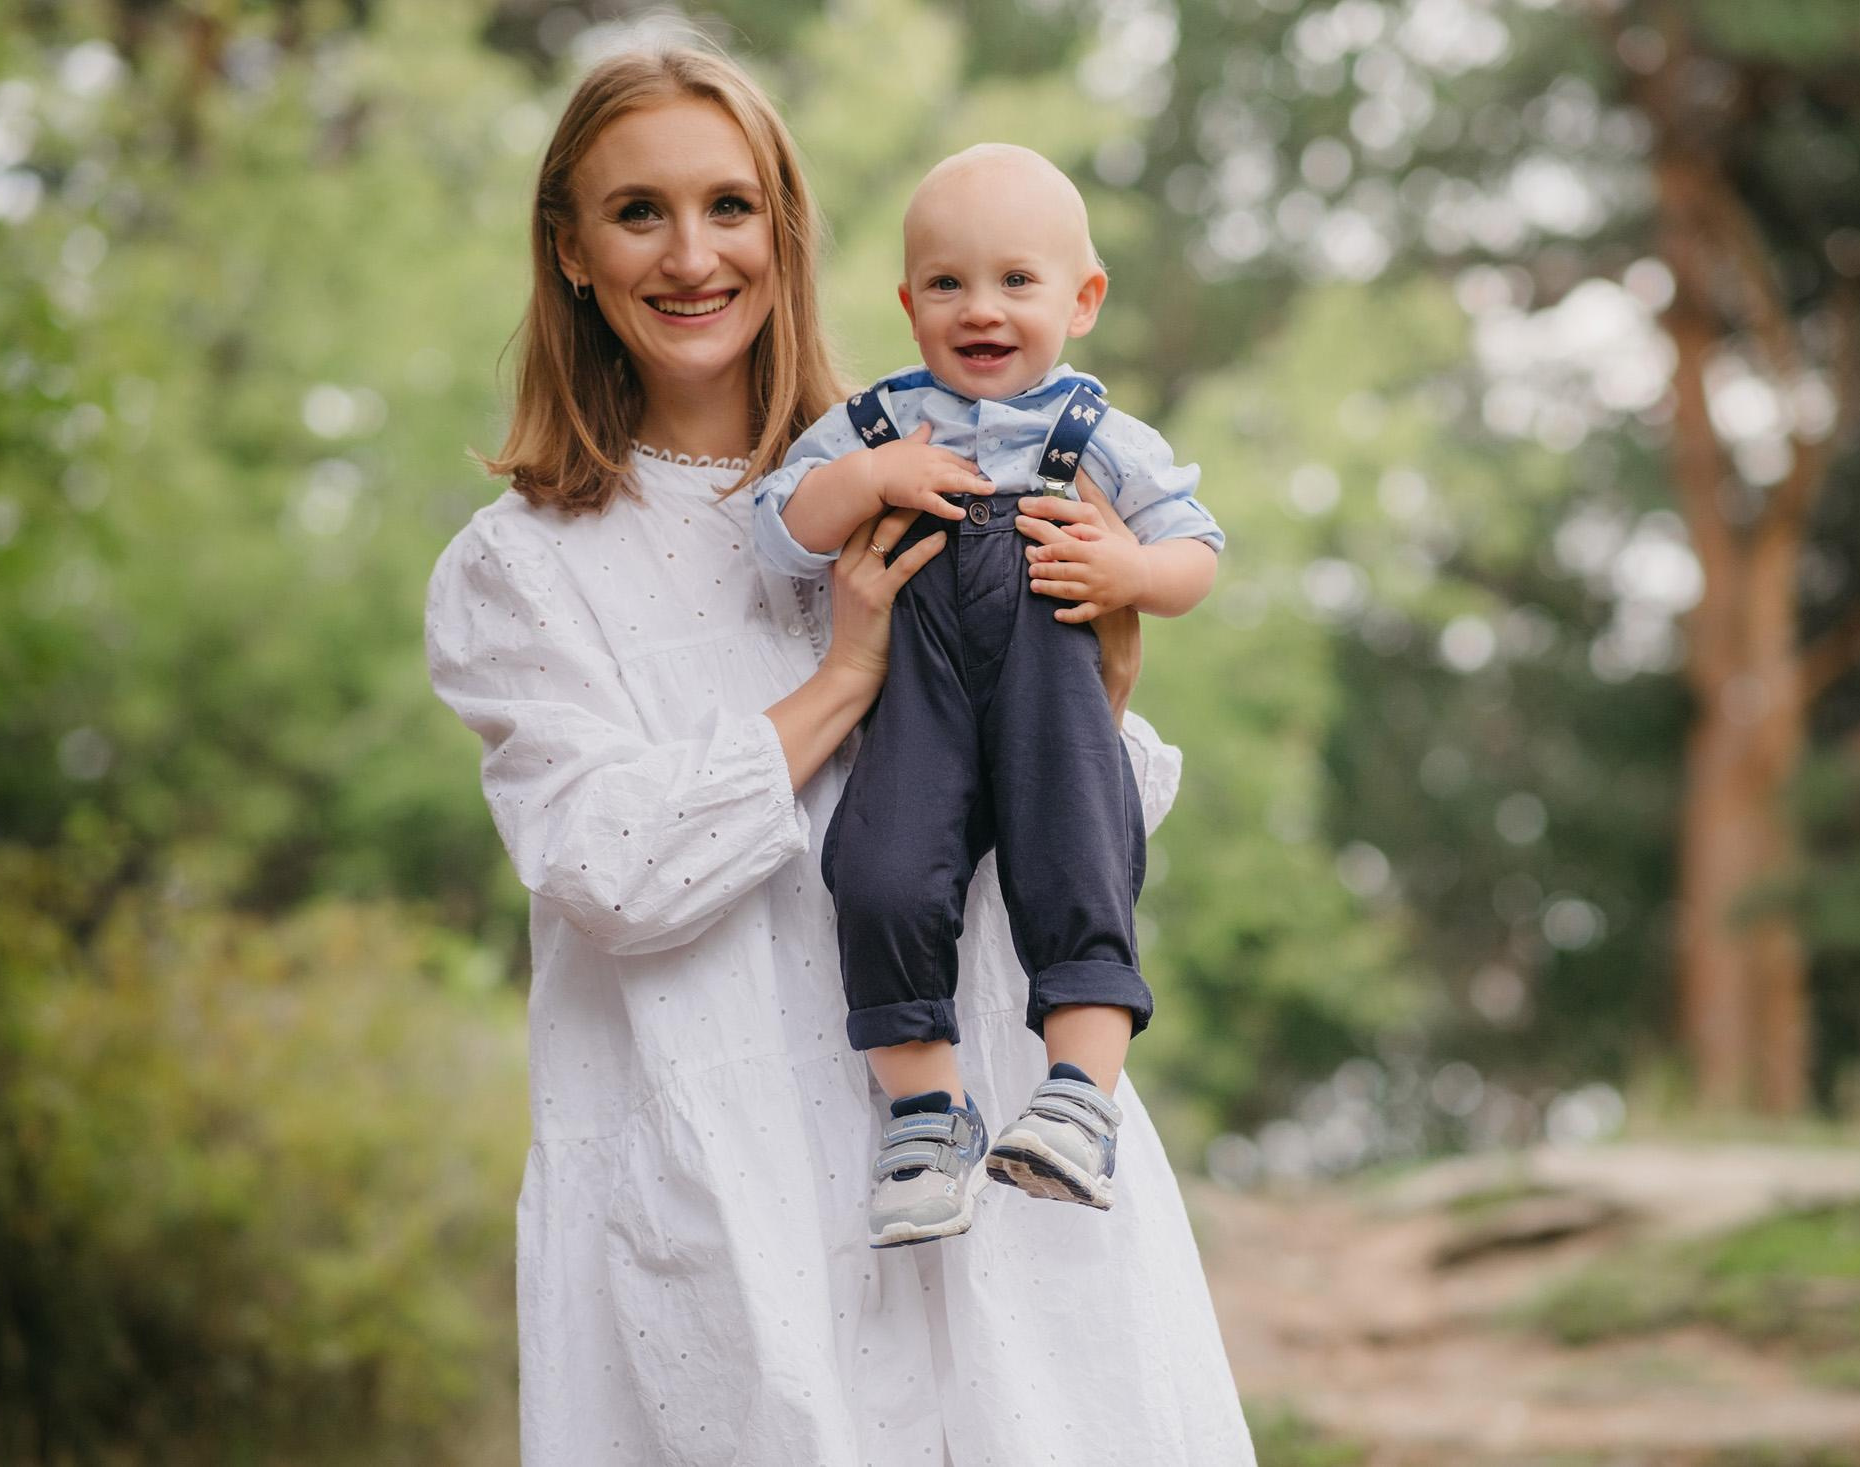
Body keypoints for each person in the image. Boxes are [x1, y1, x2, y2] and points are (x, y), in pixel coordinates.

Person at [422, 43, 1255, 1466]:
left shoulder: (946, 469)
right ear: (569, 248)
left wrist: (1100, 679)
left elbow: (1077, 831)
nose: (693, 256)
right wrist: (847, 675)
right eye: (638, 212)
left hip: (1003, 1171)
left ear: (786, 231)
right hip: (728, 1183)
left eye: (730, 206)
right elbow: (609, 869)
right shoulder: (526, 568)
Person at [747, 145, 1221, 1248]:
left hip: (1051, 696)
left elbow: (1194, 554)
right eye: (947, 283)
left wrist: (1129, 571)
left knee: (1081, 852)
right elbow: (777, 530)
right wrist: (868, 482)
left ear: (1082, 300)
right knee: (877, 869)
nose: (981, 309)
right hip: (918, 700)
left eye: (1016, 280)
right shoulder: (875, 426)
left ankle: (1078, 1101)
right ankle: (925, 1119)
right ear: (908, 304)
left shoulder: (1098, 437)